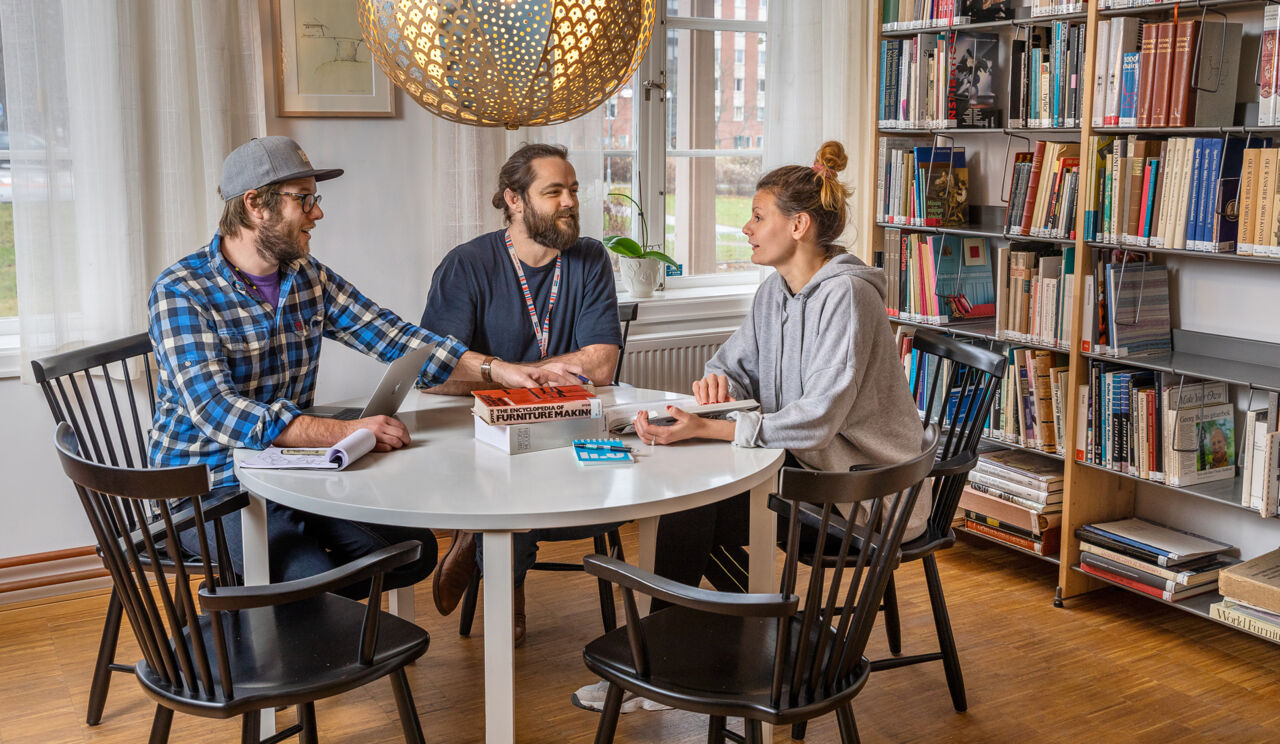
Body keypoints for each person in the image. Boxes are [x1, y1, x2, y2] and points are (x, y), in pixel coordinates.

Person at [148, 135, 570, 599]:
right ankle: (262, 626)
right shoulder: (183, 290)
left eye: (316, 199)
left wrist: (497, 370)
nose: (318, 213)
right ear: (255, 205)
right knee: (307, 581)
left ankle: (284, 616)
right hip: (207, 488)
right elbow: (218, 411)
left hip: (290, 469)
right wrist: (344, 433)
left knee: (412, 551)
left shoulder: (308, 277)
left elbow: (393, 336)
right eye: (304, 199)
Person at [634, 140, 929, 601]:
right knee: (688, 501)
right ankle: (743, 638)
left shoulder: (847, 296)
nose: (746, 227)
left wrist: (709, 429)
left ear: (797, 225)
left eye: (757, 216)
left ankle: (694, 649)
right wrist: (720, 382)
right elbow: (732, 364)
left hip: (863, 495)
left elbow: (817, 420)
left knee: (690, 509)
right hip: (806, 473)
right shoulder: (776, 291)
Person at [419, 142, 624, 646]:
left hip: (564, 421)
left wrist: (530, 376)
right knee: (512, 477)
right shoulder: (466, 265)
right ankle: (505, 584)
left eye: (573, 190)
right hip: (481, 429)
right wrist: (511, 376)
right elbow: (434, 372)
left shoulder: (589, 257)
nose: (570, 202)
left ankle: (480, 540)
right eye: (553, 192)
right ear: (514, 199)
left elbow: (602, 363)